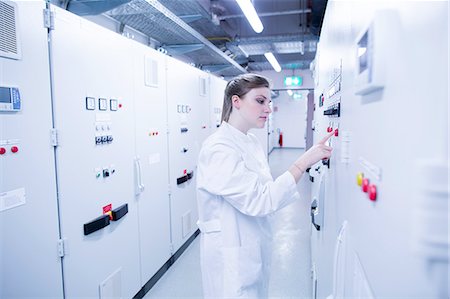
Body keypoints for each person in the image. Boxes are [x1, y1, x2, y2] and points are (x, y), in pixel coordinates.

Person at [196, 73, 333, 298]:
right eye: (260, 101)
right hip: (230, 257)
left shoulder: (249, 141)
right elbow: (261, 200)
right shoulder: (218, 149)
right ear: (236, 101)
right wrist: (303, 162)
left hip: (251, 246)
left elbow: (266, 192)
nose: (268, 109)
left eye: (269, 102)